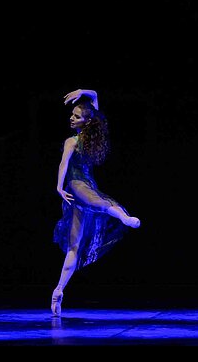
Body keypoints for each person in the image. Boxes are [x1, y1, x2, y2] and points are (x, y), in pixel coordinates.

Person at [51, 89, 141, 317]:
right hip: (76, 185)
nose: (71, 118)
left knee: (74, 246)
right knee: (96, 205)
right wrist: (59, 186)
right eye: (72, 115)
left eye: (77, 116)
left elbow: (95, 101)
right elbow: (63, 164)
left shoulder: (88, 137)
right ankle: (124, 217)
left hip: (87, 185)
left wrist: (84, 91)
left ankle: (58, 290)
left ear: (87, 121)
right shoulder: (71, 141)